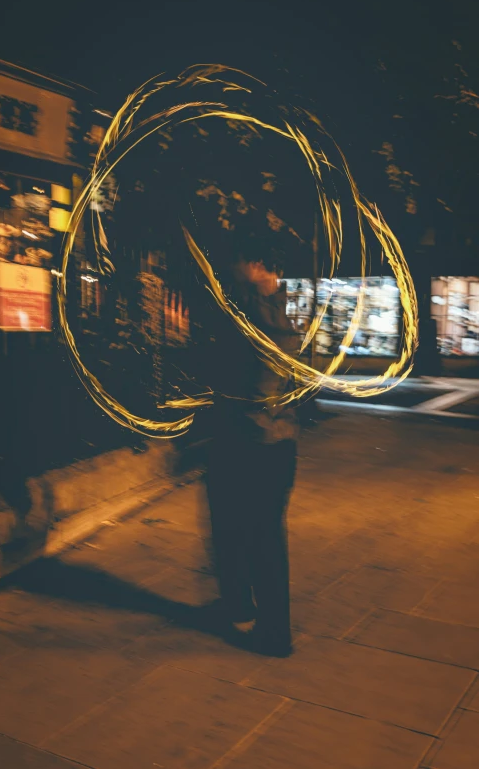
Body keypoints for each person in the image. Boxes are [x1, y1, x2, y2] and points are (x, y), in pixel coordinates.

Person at [204, 236, 300, 657]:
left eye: (238, 257)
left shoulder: (258, 315)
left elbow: (258, 387)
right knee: (252, 530)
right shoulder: (277, 309)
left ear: (256, 263)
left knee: (254, 535)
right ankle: (242, 605)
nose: (231, 265)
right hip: (276, 442)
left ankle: (274, 631)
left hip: (251, 441)